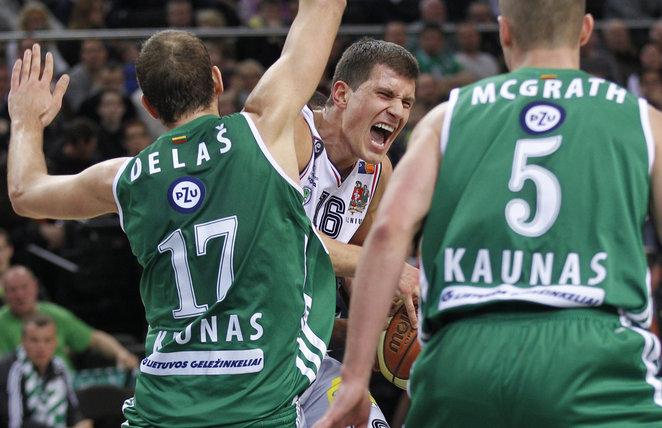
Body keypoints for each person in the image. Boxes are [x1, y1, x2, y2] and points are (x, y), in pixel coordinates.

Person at [317, 0, 662, 426]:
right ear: (586, 31)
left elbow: (387, 236)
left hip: (464, 349)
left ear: (504, 33)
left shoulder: (447, 118)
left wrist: (354, 377)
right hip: (593, 349)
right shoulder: (643, 121)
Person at [7, 0, 344, 424]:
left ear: (149, 106)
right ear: (217, 80)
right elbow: (324, 7)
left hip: (163, 406)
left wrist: (25, 121)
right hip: (257, 406)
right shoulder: (262, 130)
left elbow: (25, 193)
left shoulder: (126, 177)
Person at [294, 38, 419, 426]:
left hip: (308, 355)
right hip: (246, 348)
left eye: (407, 102)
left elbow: (355, 270)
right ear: (341, 94)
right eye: (385, 94)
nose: (397, 110)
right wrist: (387, 266)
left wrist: (384, 326)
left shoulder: (377, 171)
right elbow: (279, 242)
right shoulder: (293, 136)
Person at [0, 265, 139, 371]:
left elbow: (94, 338)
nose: (20, 295)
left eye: (24, 287)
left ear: (35, 286)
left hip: (67, 384)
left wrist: (121, 354)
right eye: (13, 290)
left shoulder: (55, 314)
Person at [0, 314, 92, 428]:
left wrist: (80, 422)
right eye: (34, 340)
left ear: (55, 342)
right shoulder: (12, 370)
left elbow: (72, 409)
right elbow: (14, 422)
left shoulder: (59, 367)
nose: (41, 347)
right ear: (23, 341)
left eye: (47, 340)